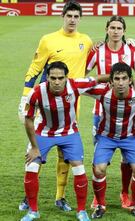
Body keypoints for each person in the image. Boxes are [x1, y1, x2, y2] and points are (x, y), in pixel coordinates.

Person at [18, 0, 93, 212]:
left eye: (76, 16)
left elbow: (90, 65)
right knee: (35, 151)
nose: (72, 20)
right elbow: (35, 67)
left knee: (65, 154)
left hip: (71, 105)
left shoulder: (85, 41)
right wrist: (25, 96)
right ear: (63, 16)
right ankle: (28, 197)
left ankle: (60, 197)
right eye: (69, 15)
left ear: (80, 18)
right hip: (45, 105)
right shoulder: (48, 40)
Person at [21, 61, 107, 221]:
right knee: (31, 166)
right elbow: (28, 120)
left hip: (69, 133)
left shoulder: (76, 85)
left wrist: (122, 78)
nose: (56, 81)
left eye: (60, 78)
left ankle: (81, 211)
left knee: (79, 169)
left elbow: (97, 78)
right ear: (47, 77)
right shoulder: (36, 92)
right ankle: (33, 211)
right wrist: (33, 147)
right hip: (44, 132)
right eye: (52, 78)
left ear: (66, 77)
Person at [85, 15, 135, 209]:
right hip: (101, 111)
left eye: (119, 28)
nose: (116, 31)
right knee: (100, 158)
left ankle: (124, 192)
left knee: (128, 157)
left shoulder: (131, 52)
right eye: (112, 27)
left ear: (124, 31)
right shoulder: (97, 51)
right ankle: (97, 197)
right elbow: (84, 75)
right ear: (107, 29)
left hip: (126, 111)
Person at [84, 63, 135, 219]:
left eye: (124, 78)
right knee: (98, 169)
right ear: (110, 81)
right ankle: (100, 205)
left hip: (130, 137)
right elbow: (78, 84)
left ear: (130, 80)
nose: (120, 83)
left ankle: (134, 205)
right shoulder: (102, 92)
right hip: (106, 137)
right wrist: (101, 77)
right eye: (116, 79)